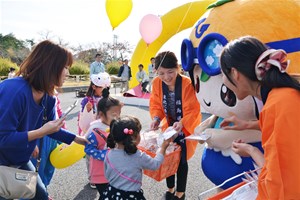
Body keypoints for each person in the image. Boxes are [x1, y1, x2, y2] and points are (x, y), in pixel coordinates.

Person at [0, 40, 87, 200]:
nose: (68, 72)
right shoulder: (14, 90)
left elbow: (51, 129)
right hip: (3, 159)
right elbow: (3, 138)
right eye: (65, 67)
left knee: (40, 195)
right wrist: (39, 133)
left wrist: (80, 140)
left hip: (20, 158)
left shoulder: (48, 97)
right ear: (50, 66)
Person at [220, 36, 300, 199]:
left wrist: (252, 150)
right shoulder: (284, 95)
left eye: (223, 73)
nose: (223, 80)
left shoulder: (278, 104)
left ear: (235, 73)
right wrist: (246, 125)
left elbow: (281, 185)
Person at [149, 51, 201, 200]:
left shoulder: (187, 83)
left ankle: (180, 192)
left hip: (184, 128)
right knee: (167, 157)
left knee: (182, 160)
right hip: (168, 129)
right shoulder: (157, 83)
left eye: (170, 72)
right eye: (161, 73)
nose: (166, 77)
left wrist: (182, 122)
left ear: (178, 68)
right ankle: (170, 188)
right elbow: (156, 104)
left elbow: (193, 109)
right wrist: (157, 119)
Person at [101, 115, 171, 200]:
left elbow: (107, 175)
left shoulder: (109, 154)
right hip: (132, 196)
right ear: (134, 137)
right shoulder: (137, 155)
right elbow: (155, 165)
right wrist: (163, 148)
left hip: (111, 193)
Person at [84, 88, 122, 198]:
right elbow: (88, 149)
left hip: (115, 172)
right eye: (114, 114)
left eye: (119, 113)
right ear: (101, 114)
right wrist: (105, 155)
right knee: (106, 195)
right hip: (100, 173)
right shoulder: (95, 130)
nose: (117, 117)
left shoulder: (117, 126)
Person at [78, 72, 111, 188]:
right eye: (102, 87)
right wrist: (87, 110)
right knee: (90, 155)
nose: (104, 89)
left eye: (106, 87)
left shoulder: (108, 99)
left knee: (105, 152)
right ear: (94, 87)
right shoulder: (87, 100)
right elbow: (82, 119)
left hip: (105, 131)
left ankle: (104, 176)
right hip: (92, 132)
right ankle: (92, 177)